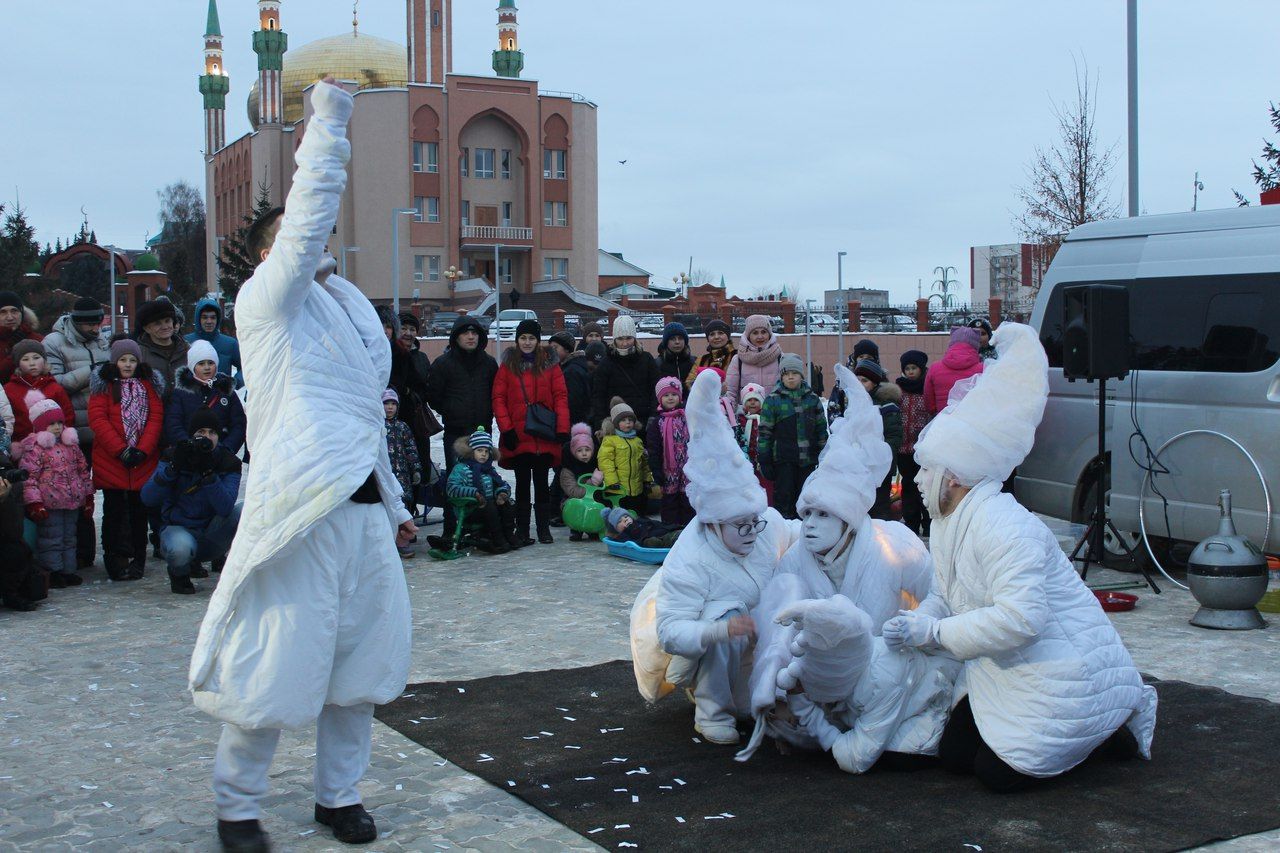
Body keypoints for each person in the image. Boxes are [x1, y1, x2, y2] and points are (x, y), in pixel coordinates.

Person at [188, 80, 414, 851]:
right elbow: (312, 211)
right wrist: (330, 123)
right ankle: (239, 806)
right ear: (265, 256)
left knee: (360, 671)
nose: (311, 242)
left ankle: (337, 795)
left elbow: (363, 420)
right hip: (299, 517)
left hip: (360, 518)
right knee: (275, 665)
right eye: (290, 238)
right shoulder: (265, 307)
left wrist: (394, 499)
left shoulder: (346, 310)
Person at [886, 322, 1157, 793]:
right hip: (1001, 670)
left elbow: (1022, 619)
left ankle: (1109, 730)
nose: (915, 481)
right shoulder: (951, 521)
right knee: (954, 759)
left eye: (926, 470)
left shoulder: (1005, 526)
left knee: (996, 774)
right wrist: (919, 617)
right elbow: (951, 596)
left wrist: (933, 632)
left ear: (953, 477)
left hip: (1062, 672)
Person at [740, 363, 956, 770]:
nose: (811, 525)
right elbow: (779, 633)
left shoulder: (894, 546)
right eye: (807, 514)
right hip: (826, 690)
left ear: (848, 519)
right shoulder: (795, 562)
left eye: (824, 515)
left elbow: (941, 598)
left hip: (890, 677)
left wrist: (913, 630)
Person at [629, 369, 800, 744]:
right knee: (728, 617)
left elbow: (796, 533)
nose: (752, 532)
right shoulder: (690, 557)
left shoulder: (764, 524)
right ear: (713, 523)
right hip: (710, 642)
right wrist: (719, 630)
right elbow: (671, 631)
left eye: (754, 521)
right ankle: (711, 710)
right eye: (740, 525)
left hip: (760, 637)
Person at [141, 409, 242, 595]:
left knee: (244, 510)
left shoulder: (228, 461)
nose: (207, 437)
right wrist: (172, 470)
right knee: (180, 548)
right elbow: (148, 497)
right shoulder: (175, 455)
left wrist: (209, 476)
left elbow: (226, 507)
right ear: (191, 435)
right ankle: (179, 574)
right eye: (201, 433)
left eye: (212, 432)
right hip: (179, 529)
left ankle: (240, 567)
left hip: (212, 533)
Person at [88, 339, 165, 582]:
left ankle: (138, 559)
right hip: (112, 461)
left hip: (141, 461)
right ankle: (114, 559)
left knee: (138, 514)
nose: (128, 364)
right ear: (115, 362)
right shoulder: (104, 388)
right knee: (113, 513)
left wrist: (142, 449)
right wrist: (121, 450)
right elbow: (98, 420)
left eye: (132, 360)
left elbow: (155, 419)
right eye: (123, 360)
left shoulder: (148, 387)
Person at [43, 298, 111, 568]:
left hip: (101, 428)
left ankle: (91, 552)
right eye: (90, 323)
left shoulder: (102, 340)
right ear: (76, 321)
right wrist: (91, 372)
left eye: (98, 323)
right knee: (71, 494)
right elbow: (55, 384)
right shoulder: (54, 342)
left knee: (99, 493)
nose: (96, 328)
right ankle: (76, 554)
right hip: (70, 431)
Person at [492, 319, 569, 545]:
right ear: (517, 340)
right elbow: (499, 399)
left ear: (538, 340)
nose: (527, 342)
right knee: (523, 484)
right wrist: (506, 429)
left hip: (544, 434)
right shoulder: (507, 366)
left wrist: (562, 428)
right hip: (519, 435)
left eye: (531, 338)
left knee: (543, 484)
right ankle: (523, 530)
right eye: (523, 338)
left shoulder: (550, 365)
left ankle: (544, 529)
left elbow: (561, 396)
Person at [424, 315, 498, 551]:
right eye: (465, 333)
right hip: (456, 433)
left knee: (484, 480)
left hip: (481, 432)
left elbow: (495, 393)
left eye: (474, 333)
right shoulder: (443, 364)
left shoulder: (488, 364)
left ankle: (482, 528)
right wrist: (450, 409)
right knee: (455, 482)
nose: (470, 337)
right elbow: (433, 395)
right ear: (456, 337)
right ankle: (451, 528)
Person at [15, 398, 93, 589]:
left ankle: (68, 570)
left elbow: (83, 471)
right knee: (51, 538)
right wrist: (34, 503)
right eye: (51, 424)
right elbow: (29, 479)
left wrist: (88, 496)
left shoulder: (72, 446)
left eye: (59, 423)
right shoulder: (35, 449)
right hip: (50, 504)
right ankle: (53, 571)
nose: (57, 427)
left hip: (72, 501)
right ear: (41, 425)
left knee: (69, 537)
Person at [758, 353, 828, 519]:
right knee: (784, 497)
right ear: (781, 376)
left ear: (801, 376)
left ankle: (803, 532)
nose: (790, 377)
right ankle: (784, 531)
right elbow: (765, 432)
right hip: (783, 460)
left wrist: (824, 454)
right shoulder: (773, 400)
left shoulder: (812, 399)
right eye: (786, 374)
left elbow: (821, 428)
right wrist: (764, 458)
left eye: (794, 373)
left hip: (809, 460)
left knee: (805, 498)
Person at [445, 427, 522, 554]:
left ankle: (508, 534)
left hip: (488, 506)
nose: (483, 454)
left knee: (508, 505)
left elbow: (502, 484)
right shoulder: (462, 468)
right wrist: (473, 493)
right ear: (471, 451)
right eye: (479, 450)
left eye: (486, 451)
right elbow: (452, 488)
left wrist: (501, 494)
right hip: (470, 509)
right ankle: (498, 539)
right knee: (490, 506)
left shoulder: (489, 470)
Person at [165, 340, 247, 456]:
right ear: (193, 366)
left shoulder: (226, 391)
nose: (207, 367)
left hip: (220, 455)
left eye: (210, 363)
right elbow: (173, 423)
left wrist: (226, 449)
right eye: (201, 363)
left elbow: (239, 424)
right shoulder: (181, 393)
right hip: (188, 455)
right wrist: (187, 446)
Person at [853, 359, 902, 520]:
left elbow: (893, 434)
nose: (860, 384)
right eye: (857, 380)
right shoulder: (855, 402)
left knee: (880, 502)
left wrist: (884, 455)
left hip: (880, 463)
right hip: (860, 462)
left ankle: (880, 536)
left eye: (864, 380)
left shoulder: (886, 404)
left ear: (874, 382)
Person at [590, 315, 658, 428]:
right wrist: (602, 423)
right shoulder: (606, 363)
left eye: (628, 338)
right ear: (614, 339)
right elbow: (599, 397)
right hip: (616, 423)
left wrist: (653, 416)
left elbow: (655, 390)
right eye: (620, 339)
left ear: (635, 338)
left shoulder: (647, 359)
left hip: (644, 422)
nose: (625, 343)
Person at [4, 340, 75, 442]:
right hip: (22, 445)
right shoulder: (9, 390)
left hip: (54, 447)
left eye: (36, 358)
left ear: (44, 360)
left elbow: (68, 415)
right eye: (25, 359)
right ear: (18, 364)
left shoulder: (55, 388)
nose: (32, 363)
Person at [646, 376, 693, 525]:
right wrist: (656, 471)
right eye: (666, 395)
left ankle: (688, 529)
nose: (670, 398)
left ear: (680, 396)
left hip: (688, 468)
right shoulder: (657, 422)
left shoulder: (688, 418)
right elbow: (654, 448)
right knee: (670, 501)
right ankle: (670, 530)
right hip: (668, 470)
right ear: (660, 399)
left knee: (688, 500)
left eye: (674, 394)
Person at [895, 350, 931, 537]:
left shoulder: (927, 388)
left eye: (914, 368)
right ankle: (911, 522)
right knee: (908, 485)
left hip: (922, 447)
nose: (910, 372)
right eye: (907, 368)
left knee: (925, 485)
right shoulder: (898, 390)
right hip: (904, 447)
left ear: (921, 369)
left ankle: (928, 522)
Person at [381, 389, 421, 557]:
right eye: (386, 404)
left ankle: (403, 540)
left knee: (403, 507)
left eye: (393, 404)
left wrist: (416, 469)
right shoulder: (377, 426)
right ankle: (387, 541)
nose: (390, 408)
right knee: (385, 509)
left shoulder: (402, 427)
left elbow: (411, 449)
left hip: (402, 475)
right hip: (383, 475)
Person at [598, 397, 651, 517]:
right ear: (616, 423)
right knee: (620, 515)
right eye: (623, 420)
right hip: (618, 488)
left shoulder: (637, 441)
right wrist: (611, 481)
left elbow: (643, 463)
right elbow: (605, 462)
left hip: (636, 488)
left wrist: (647, 479)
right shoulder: (610, 440)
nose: (628, 422)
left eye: (630, 420)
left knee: (635, 513)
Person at [133, 299, 190, 401]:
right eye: (157, 323)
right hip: (153, 413)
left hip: (185, 413)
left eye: (167, 321)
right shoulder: (138, 354)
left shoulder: (187, 350)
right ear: (147, 328)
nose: (165, 327)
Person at [724, 314, 781, 408]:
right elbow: (731, 392)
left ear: (769, 334)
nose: (760, 336)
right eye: (755, 333)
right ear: (748, 335)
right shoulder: (738, 360)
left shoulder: (779, 357)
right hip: (747, 416)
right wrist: (729, 414)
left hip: (774, 414)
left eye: (764, 332)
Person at [923, 326, 984, 415]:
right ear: (976, 346)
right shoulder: (983, 369)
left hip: (943, 420)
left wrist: (934, 411)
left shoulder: (935, 368)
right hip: (972, 421)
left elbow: (929, 401)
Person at [559, 423, 602, 542]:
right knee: (573, 505)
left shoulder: (596, 466)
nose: (584, 454)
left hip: (593, 501)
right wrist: (591, 484)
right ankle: (576, 529)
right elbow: (572, 491)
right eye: (579, 450)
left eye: (587, 450)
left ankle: (592, 527)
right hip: (575, 500)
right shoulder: (568, 470)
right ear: (573, 452)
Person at [187, 298, 244, 388]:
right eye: (205, 317)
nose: (209, 321)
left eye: (213, 317)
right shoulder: (186, 342)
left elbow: (245, 366)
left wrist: (235, 382)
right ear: (198, 319)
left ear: (218, 319)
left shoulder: (230, 343)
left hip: (221, 397)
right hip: (193, 397)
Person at [0, 290, 43, 384]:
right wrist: (16, 351)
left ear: (22, 313)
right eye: (3, 312)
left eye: (14, 311)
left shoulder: (37, 340)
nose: (10, 317)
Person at [684, 319, 735, 391]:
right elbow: (690, 382)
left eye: (720, 333)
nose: (716, 337)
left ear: (728, 336)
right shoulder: (702, 359)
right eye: (712, 334)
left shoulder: (736, 356)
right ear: (708, 339)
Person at [601, 506, 682, 548]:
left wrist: (675, 526)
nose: (625, 520)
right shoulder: (622, 535)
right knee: (654, 541)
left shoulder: (641, 521)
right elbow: (631, 543)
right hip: (652, 540)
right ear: (616, 529)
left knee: (678, 533)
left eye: (626, 517)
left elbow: (657, 524)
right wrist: (643, 541)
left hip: (662, 532)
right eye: (619, 521)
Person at [655, 322, 694, 395]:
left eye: (680, 338)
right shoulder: (657, 364)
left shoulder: (694, 362)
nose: (677, 342)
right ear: (666, 342)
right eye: (672, 339)